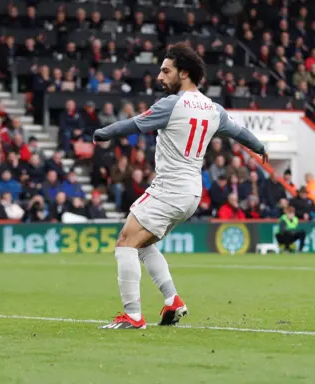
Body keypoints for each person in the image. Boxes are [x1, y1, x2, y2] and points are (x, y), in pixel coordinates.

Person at [93, 43, 268, 330]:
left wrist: (102, 133)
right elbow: (240, 133)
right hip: (192, 193)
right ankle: (172, 300)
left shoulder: (172, 104)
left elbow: (134, 124)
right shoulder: (214, 109)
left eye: (166, 71)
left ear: (184, 73)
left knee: (125, 242)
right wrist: (260, 147)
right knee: (142, 245)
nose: (159, 77)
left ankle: (133, 316)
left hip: (170, 188)